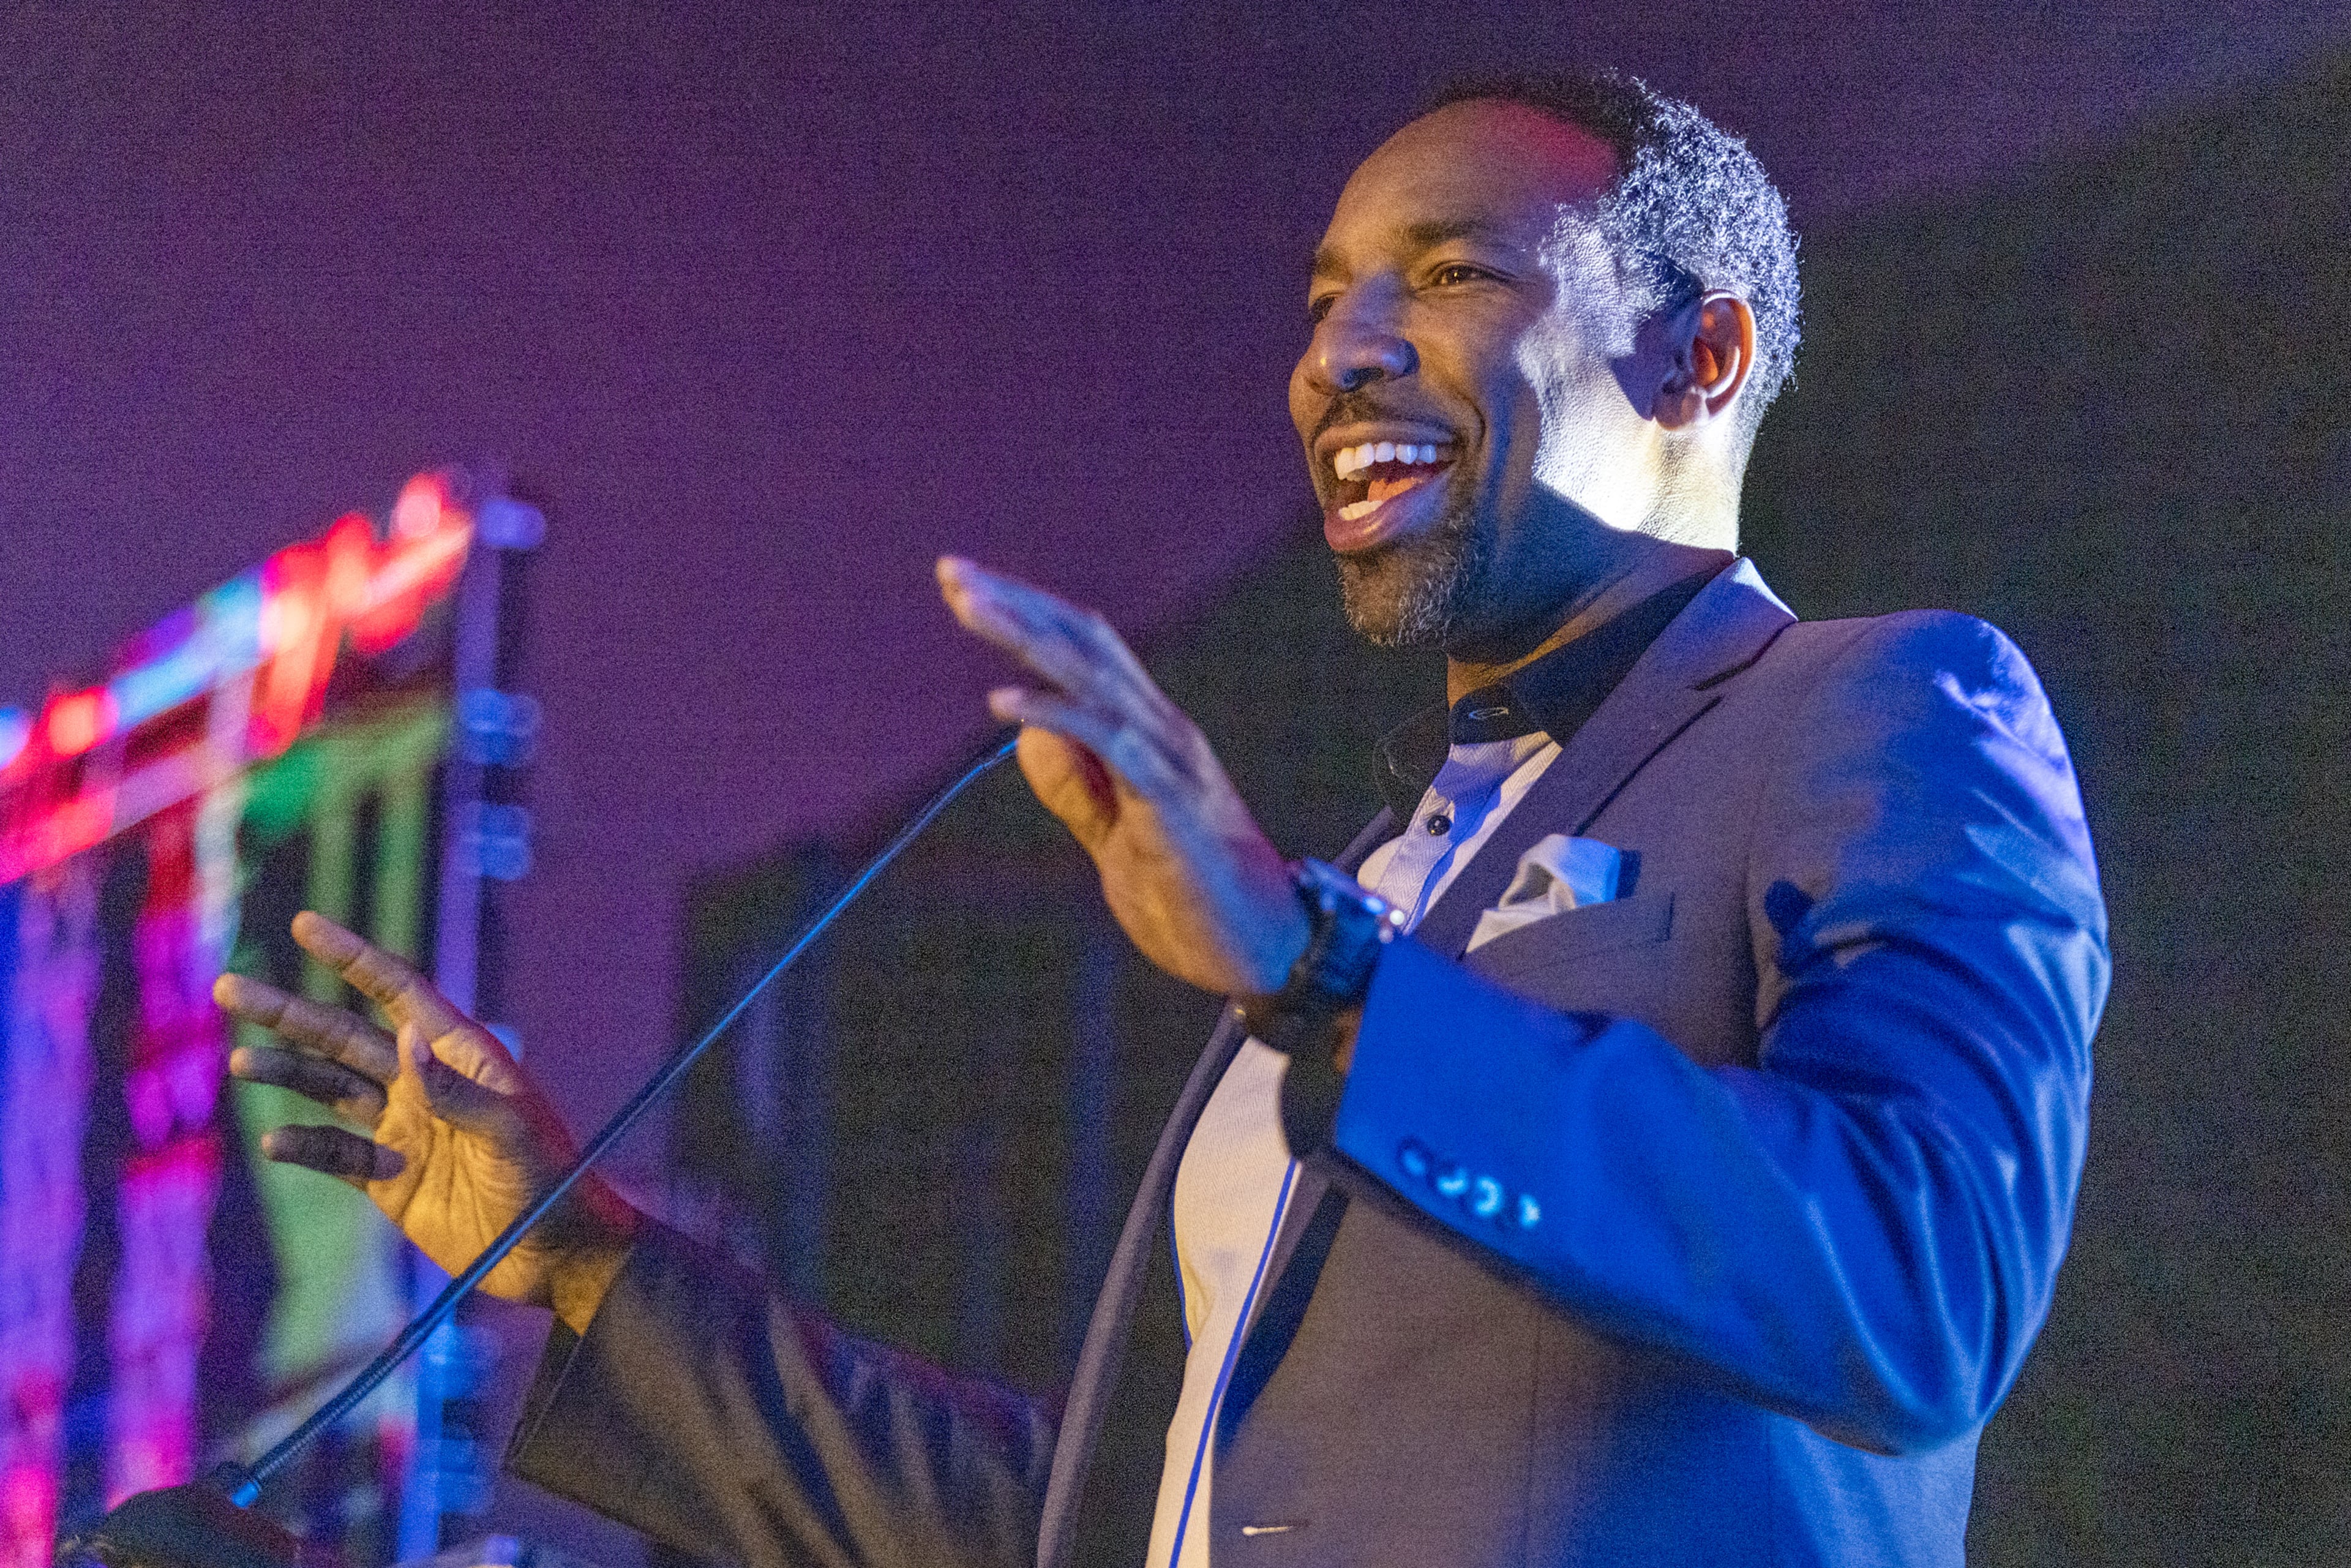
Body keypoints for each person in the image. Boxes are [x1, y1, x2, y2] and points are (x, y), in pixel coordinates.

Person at [216, 70, 2107, 1568]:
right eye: (1322, 299)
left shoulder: (1885, 708)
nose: (1339, 351)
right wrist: (586, 1257)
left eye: (1449, 273)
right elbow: (1105, 1534)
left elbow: (1920, 1285)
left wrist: (1326, 977)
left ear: (1702, 355)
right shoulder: (1373, 887)